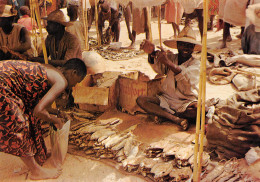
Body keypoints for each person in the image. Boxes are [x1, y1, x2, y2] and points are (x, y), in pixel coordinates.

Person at [0, 58, 87, 180]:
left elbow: (36, 105)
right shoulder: (62, 81)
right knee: (18, 125)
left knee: (29, 116)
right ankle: (36, 171)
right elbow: (39, 111)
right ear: (73, 72)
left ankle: (38, 154)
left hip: (4, 76)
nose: (75, 85)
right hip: (2, 82)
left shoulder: (52, 70)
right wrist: (55, 120)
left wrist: (57, 112)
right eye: (78, 81)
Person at [137, 26, 202, 130]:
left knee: (201, 110)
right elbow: (159, 68)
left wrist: (167, 62)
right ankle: (176, 119)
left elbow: (185, 75)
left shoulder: (197, 64)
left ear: (193, 47)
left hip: (185, 100)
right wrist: (151, 52)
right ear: (177, 45)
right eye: (182, 44)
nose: (185, 47)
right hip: (167, 99)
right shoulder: (172, 57)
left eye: (189, 45)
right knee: (141, 100)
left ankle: (165, 115)